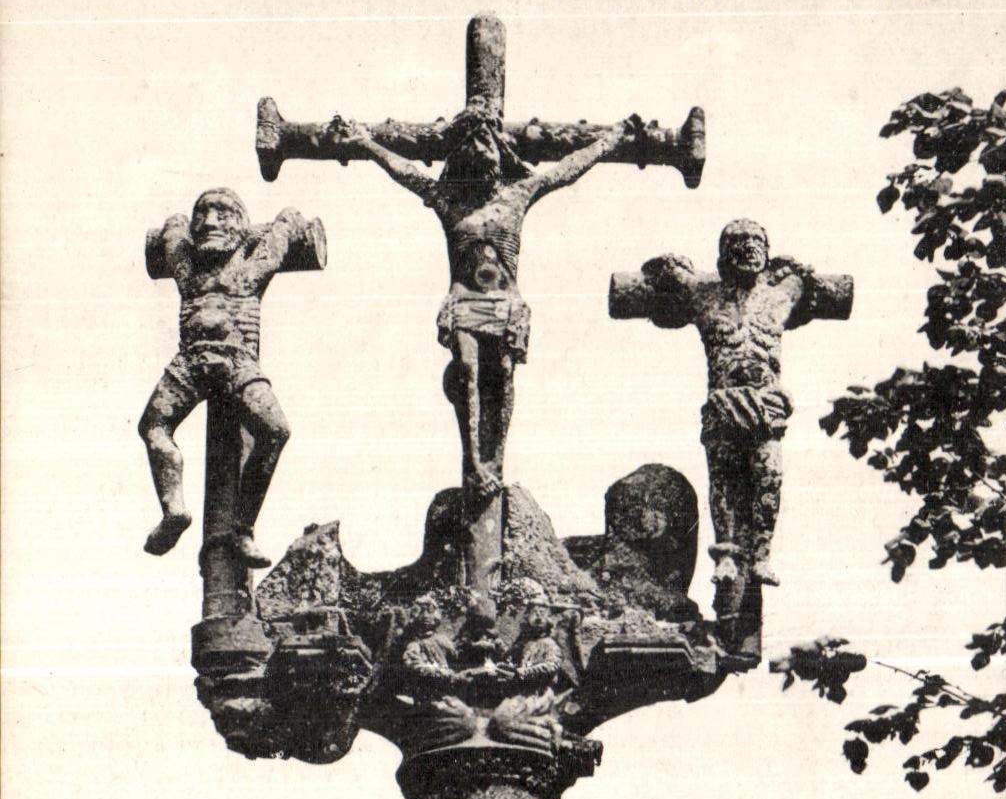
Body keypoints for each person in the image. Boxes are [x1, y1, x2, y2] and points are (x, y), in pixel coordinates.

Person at [329, 104, 642, 501]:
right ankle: (475, 464)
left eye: (488, 148)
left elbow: (567, 171)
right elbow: (405, 172)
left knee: (503, 375)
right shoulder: (450, 201)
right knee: (467, 372)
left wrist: (610, 140)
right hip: (464, 305)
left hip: (505, 306)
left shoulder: (517, 195)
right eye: (473, 150)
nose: (482, 157)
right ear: (461, 158)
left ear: (499, 154)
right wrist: (365, 143)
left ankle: (495, 462)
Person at [641, 219, 828, 587]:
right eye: (738, 240)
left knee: (769, 474)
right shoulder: (704, 294)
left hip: (765, 404)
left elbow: (812, 282)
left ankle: (761, 553)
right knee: (723, 477)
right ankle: (726, 554)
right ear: (723, 252)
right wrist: (666, 264)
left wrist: (794, 268)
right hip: (724, 403)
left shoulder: (783, 293)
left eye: (757, 239)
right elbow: (663, 276)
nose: (748, 247)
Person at [139, 188, 313, 565]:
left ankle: (242, 528)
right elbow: (173, 231)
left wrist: (287, 217)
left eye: (222, 213)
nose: (210, 222)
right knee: (153, 426)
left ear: (241, 225)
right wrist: (178, 223)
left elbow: (284, 229)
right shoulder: (188, 268)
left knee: (275, 431)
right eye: (202, 213)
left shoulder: (252, 266)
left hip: (237, 362)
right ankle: (174, 512)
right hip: (191, 362)